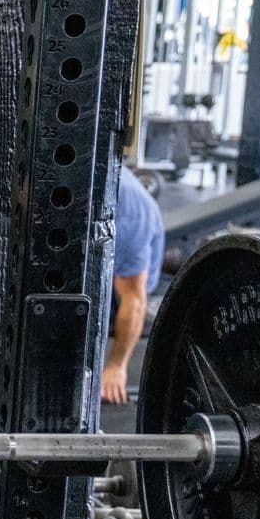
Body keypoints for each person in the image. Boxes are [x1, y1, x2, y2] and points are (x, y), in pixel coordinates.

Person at [102, 165, 166, 404]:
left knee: (129, 303)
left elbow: (135, 301)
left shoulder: (129, 220)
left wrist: (116, 367)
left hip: (135, 233)